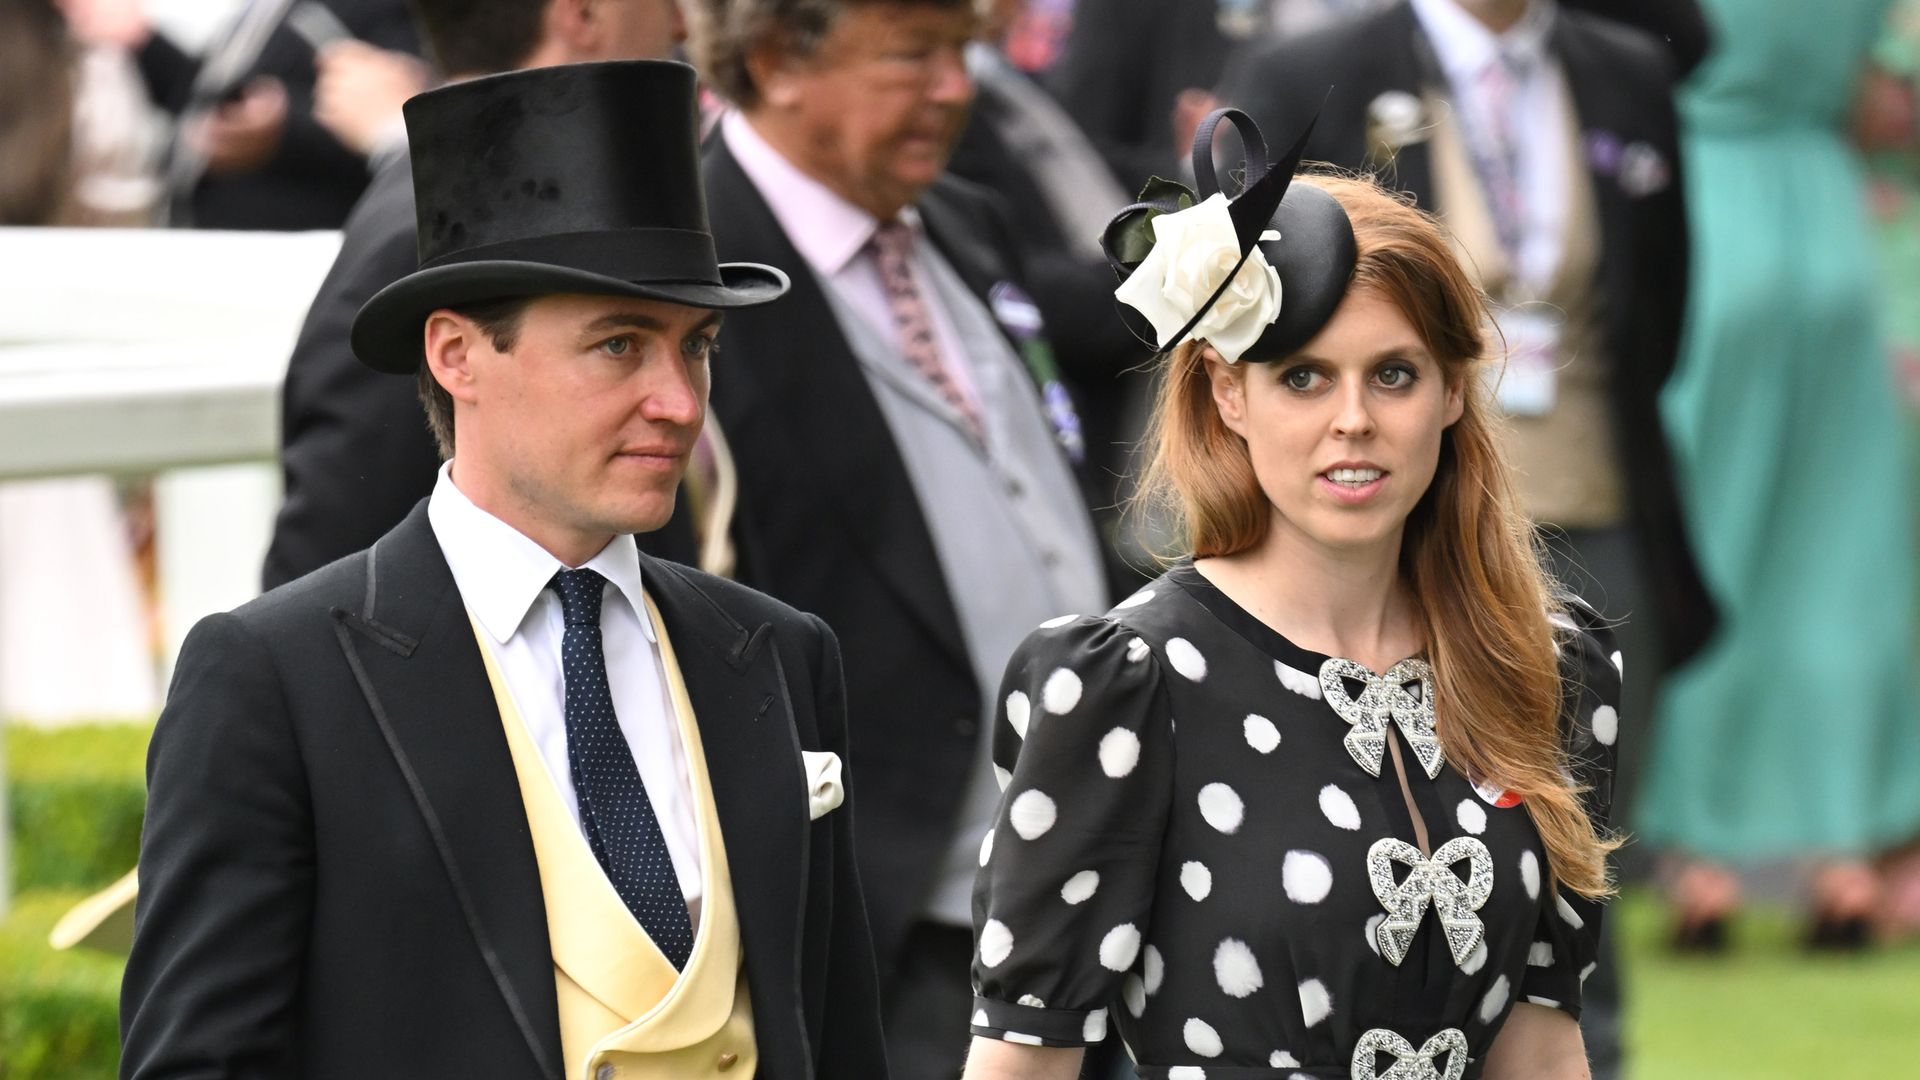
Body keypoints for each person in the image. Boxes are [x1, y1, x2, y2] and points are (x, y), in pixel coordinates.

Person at [121, 60, 889, 1079]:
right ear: (457, 356)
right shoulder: (273, 678)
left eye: (695, 346)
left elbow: (838, 1041)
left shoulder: (780, 653)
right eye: (619, 345)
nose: (679, 399)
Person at [964, 110, 1620, 1079]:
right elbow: (1026, 1064)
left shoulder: (1545, 663)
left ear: (1451, 392)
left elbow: (1541, 1045)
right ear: (1230, 395)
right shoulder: (1126, 683)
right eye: (1303, 378)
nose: (1352, 421)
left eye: (1393, 375)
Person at [684, 0, 1117, 1072]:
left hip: (1102, 892)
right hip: (898, 939)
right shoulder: (688, 270)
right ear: (779, 58)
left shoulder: (959, 220)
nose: (956, 87)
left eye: (963, 52)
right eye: (912, 55)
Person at [1635, 0, 1920, 951]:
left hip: (1707, 210)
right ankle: (1839, 858)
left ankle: (1701, 866)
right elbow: (1883, 101)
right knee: (1841, 561)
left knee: (1705, 552)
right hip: (1833, 234)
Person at [263, 0, 692, 590]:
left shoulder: (426, 211)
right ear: (584, 15)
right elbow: (331, 611)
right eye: (619, 344)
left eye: (700, 346)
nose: (680, 26)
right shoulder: (418, 247)